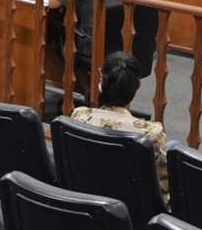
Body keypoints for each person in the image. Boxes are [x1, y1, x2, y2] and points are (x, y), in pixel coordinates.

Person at [71, 51, 170, 207]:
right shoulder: (151, 133)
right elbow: (163, 188)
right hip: (135, 210)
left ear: (101, 82)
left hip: (85, 201)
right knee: (173, 146)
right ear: (137, 86)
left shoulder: (79, 116)